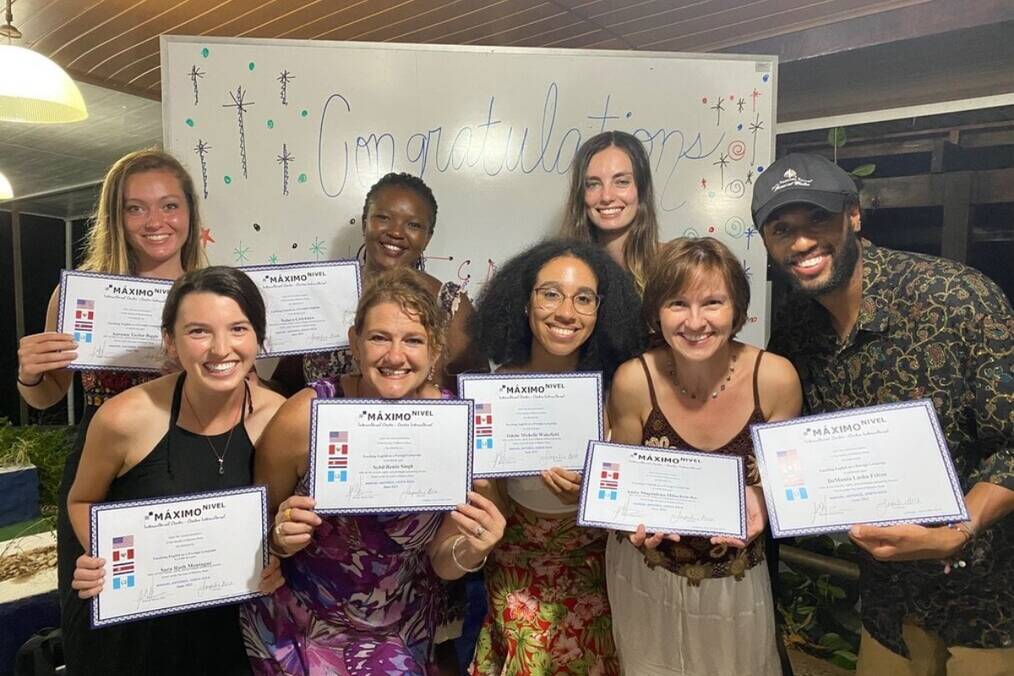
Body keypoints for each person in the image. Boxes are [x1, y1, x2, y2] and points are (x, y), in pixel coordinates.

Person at [756, 153, 1014, 675]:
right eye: (783, 228)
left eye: (817, 221)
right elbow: (794, 449)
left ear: (854, 215)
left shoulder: (956, 299)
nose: (802, 242)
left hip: (986, 606)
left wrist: (958, 528)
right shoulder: (795, 332)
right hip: (887, 612)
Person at [241, 267, 506, 675]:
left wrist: (475, 548)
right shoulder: (306, 416)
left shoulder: (455, 425)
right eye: (380, 337)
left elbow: (441, 561)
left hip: (398, 631)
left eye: (413, 340)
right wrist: (277, 539)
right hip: (298, 627)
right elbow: (255, 529)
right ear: (355, 342)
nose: (395, 356)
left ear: (435, 350)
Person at [13, 149, 208, 668]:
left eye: (169, 205)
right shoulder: (77, 295)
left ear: (189, 213)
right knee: (105, 623)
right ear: (115, 218)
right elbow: (48, 395)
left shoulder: (213, 296)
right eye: (135, 208)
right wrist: (30, 371)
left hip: (192, 463)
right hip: (102, 472)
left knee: (190, 623)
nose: (155, 222)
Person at [65, 266, 286, 675]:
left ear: (258, 335)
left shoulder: (279, 417)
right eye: (199, 332)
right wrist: (99, 553)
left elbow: (280, 519)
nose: (221, 349)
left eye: (238, 329)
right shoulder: (123, 418)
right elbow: (80, 500)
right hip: (141, 638)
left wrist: (277, 557)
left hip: (235, 635)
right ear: (171, 340)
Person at [605, 237, 802, 675]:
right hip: (647, 572)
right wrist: (629, 515)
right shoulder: (635, 380)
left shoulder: (774, 378)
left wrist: (764, 500)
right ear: (657, 310)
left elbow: (786, 480)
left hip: (733, 578)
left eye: (712, 302)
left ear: (737, 308)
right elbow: (621, 481)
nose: (695, 322)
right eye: (678, 303)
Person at [466, 239, 645, 675]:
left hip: (599, 586)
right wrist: (488, 483)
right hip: (517, 585)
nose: (566, 312)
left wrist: (597, 496)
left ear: (602, 311)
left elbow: (636, 506)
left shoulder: (620, 390)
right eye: (550, 293)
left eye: (583, 298)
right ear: (524, 302)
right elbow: (490, 510)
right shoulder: (494, 390)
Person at [272, 172, 484, 394]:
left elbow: (475, 396)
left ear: (427, 237)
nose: (395, 232)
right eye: (383, 218)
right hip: (329, 428)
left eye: (413, 225)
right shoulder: (322, 295)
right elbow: (285, 387)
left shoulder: (449, 305)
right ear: (365, 224)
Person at [558, 130, 660, 292]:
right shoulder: (563, 270)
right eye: (593, 184)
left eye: (621, 182)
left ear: (641, 190)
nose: (606, 197)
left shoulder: (671, 266)